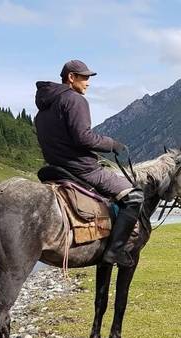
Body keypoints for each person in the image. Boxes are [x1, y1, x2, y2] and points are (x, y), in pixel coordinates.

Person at [34, 59, 143, 267]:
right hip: (81, 169)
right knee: (134, 197)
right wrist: (113, 144)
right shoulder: (74, 100)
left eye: (88, 77)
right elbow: (83, 137)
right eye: (84, 77)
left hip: (55, 169)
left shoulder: (42, 111)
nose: (88, 82)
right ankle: (114, 252)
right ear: (71, 78)